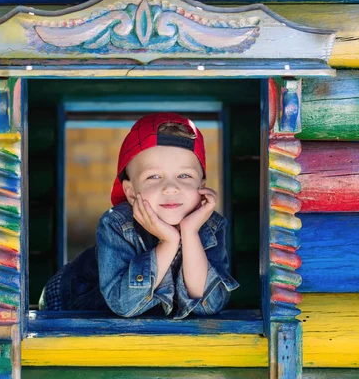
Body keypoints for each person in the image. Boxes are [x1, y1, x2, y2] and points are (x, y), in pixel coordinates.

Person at [39, 112, 238, 319]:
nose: (171, 187)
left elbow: (208, 304)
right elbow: (124, 304)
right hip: (65, 303)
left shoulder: (209, 225)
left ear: (201, 187)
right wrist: (169, 242)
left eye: (184, 175)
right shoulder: (116, 224)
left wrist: (189, 233)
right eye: (154, 176)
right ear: (131, 192)